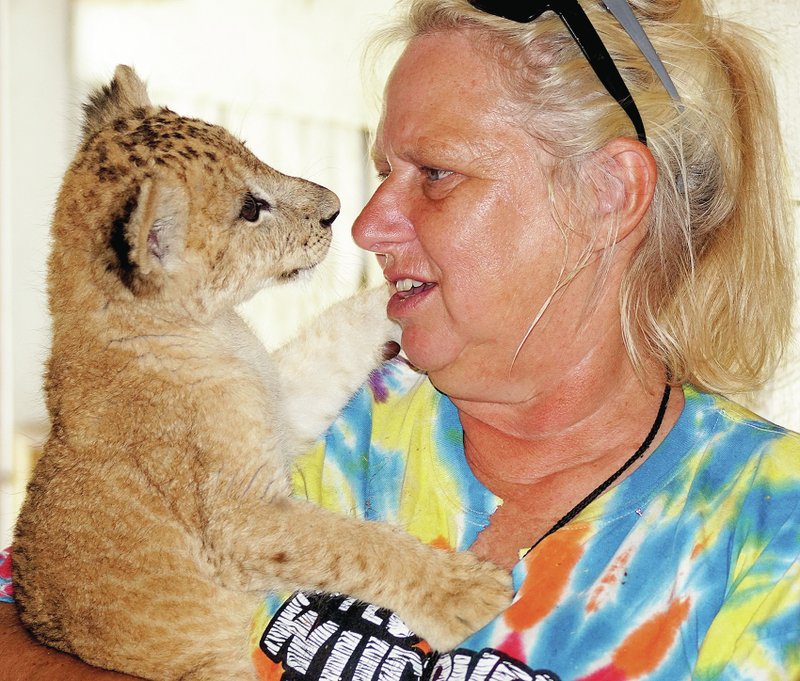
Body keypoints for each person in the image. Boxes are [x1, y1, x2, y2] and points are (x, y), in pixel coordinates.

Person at [2, 0, 799, 678]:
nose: (365, 223)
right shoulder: (330, 409)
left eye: (436, 175)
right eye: (383, 167)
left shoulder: (770, 521)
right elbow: (31, 608)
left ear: (609, 195)